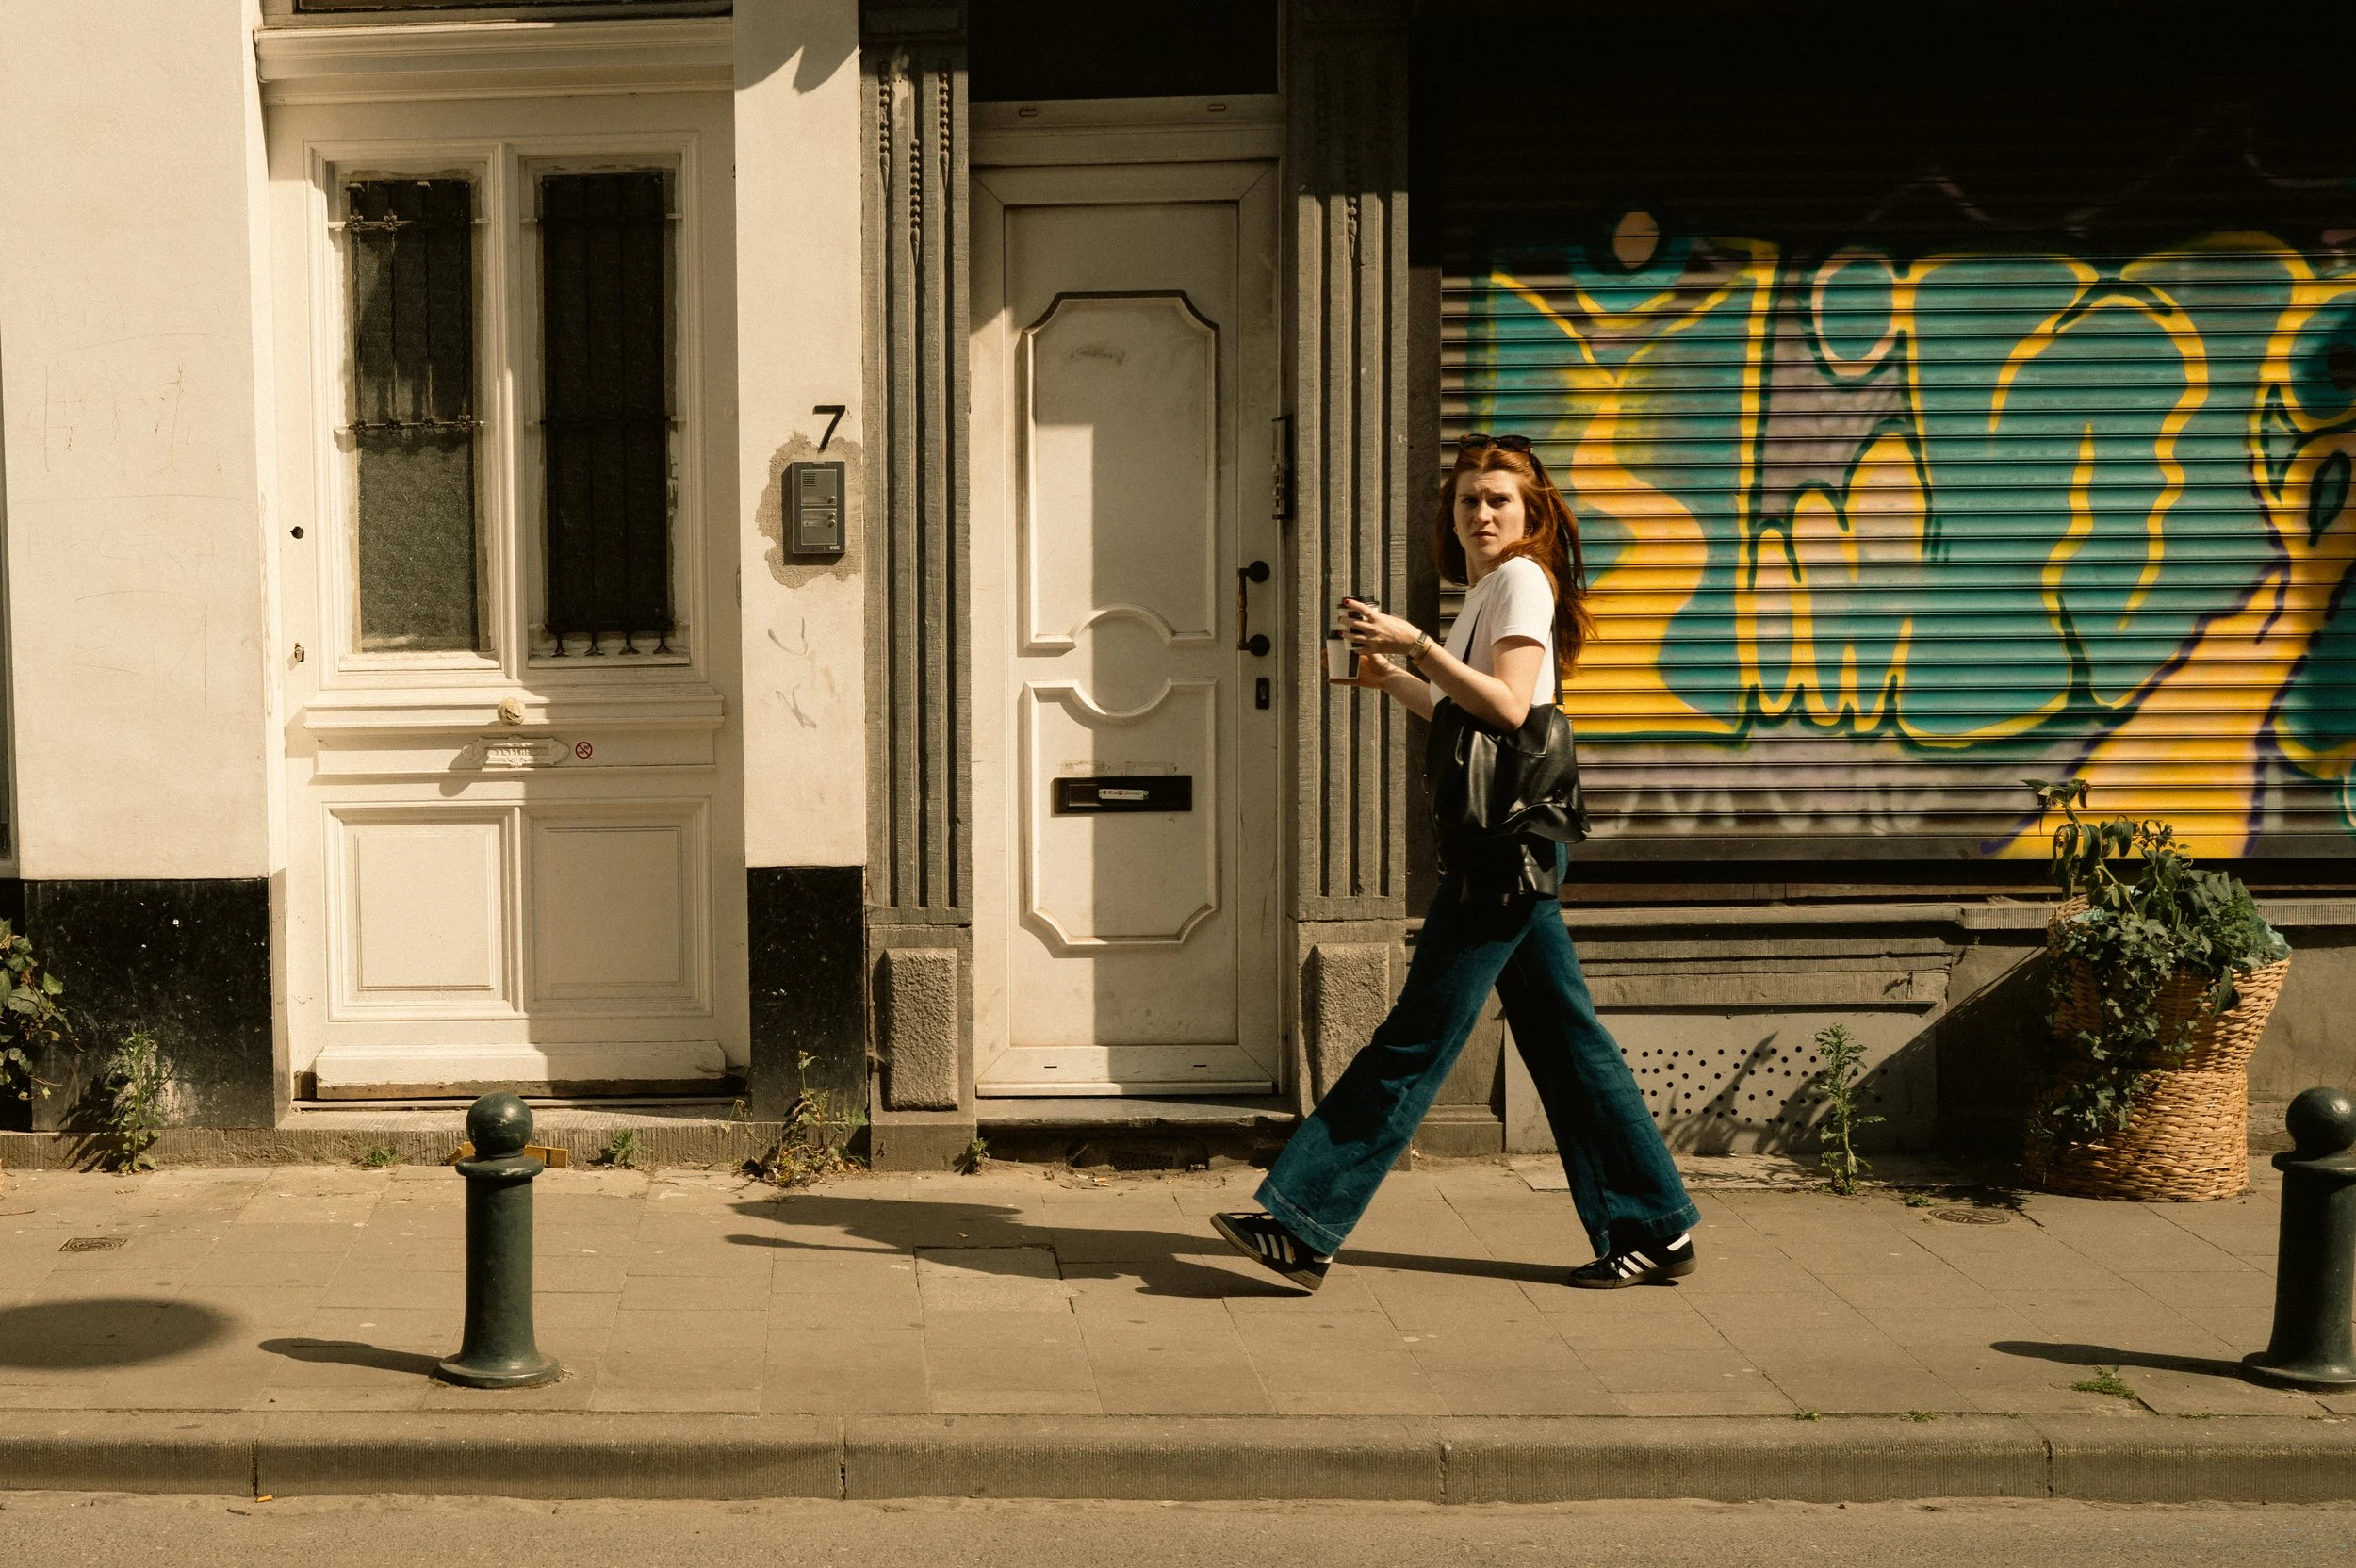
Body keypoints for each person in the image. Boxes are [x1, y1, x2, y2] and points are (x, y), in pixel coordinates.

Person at [1213, 433, 1700, 1292]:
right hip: (1514, 844)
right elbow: (1465, 713)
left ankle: (1302, 1222)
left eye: (1498, 499)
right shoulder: (1487, 588)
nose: (1479, 513)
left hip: (1505, 851)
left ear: (1532, 511)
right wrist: (1390, 679)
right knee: (1565, 1041)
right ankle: (1653, 1225)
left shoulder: (1519, 578)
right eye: (1468, 499)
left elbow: (1512, 710)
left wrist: (1416, 646)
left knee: (1415, 1037)